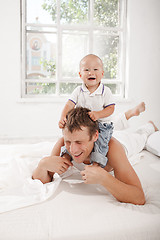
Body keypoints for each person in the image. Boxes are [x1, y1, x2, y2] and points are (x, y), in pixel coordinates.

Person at [32, 107, 158, 205]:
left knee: (140, 137)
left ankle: (149, 126)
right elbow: (43, 179)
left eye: (79, 142)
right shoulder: (63, 144)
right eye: (68, 141)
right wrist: (42, 165)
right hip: (97, 133)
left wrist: (105, 178)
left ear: (95, 136)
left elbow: (139, 197)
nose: (73, 149)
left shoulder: (113, 148)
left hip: (126, 143)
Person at [59, 54, 115, 167]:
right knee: (71, 137)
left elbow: (110, 109)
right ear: (80, 74)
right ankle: (66, 156)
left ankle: (96, 164)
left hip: (102, 124)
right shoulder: (78, 90)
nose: (91, 73)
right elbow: (69, 104)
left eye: (95, 69)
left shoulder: (105, 91)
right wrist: (63, 117)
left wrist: (98, 114)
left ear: (102, 73)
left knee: (101, 142)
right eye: (86, 70)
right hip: (82, 124)